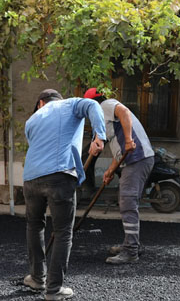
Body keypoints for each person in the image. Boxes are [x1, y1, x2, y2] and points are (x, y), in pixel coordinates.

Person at [22, 89, 106, 300]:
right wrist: (99, 135)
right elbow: (93, 105)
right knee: (62, 232)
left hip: (30, 179)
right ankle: (53, 290)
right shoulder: (69, 104)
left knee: (34, 225)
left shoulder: (31, 120)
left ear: (41, 102)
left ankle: (37, 278)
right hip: (59, 175)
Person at [84, 87, 154, 265]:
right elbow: (118, 146)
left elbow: (124, 112)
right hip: (133, 160)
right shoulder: (104, 117)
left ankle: (131, 251)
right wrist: (110, 170)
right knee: (128, 202)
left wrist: (130, 139)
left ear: (93, 103)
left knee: (127, 202)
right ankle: (131, 245)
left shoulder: (106, 105)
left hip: (137, 159)